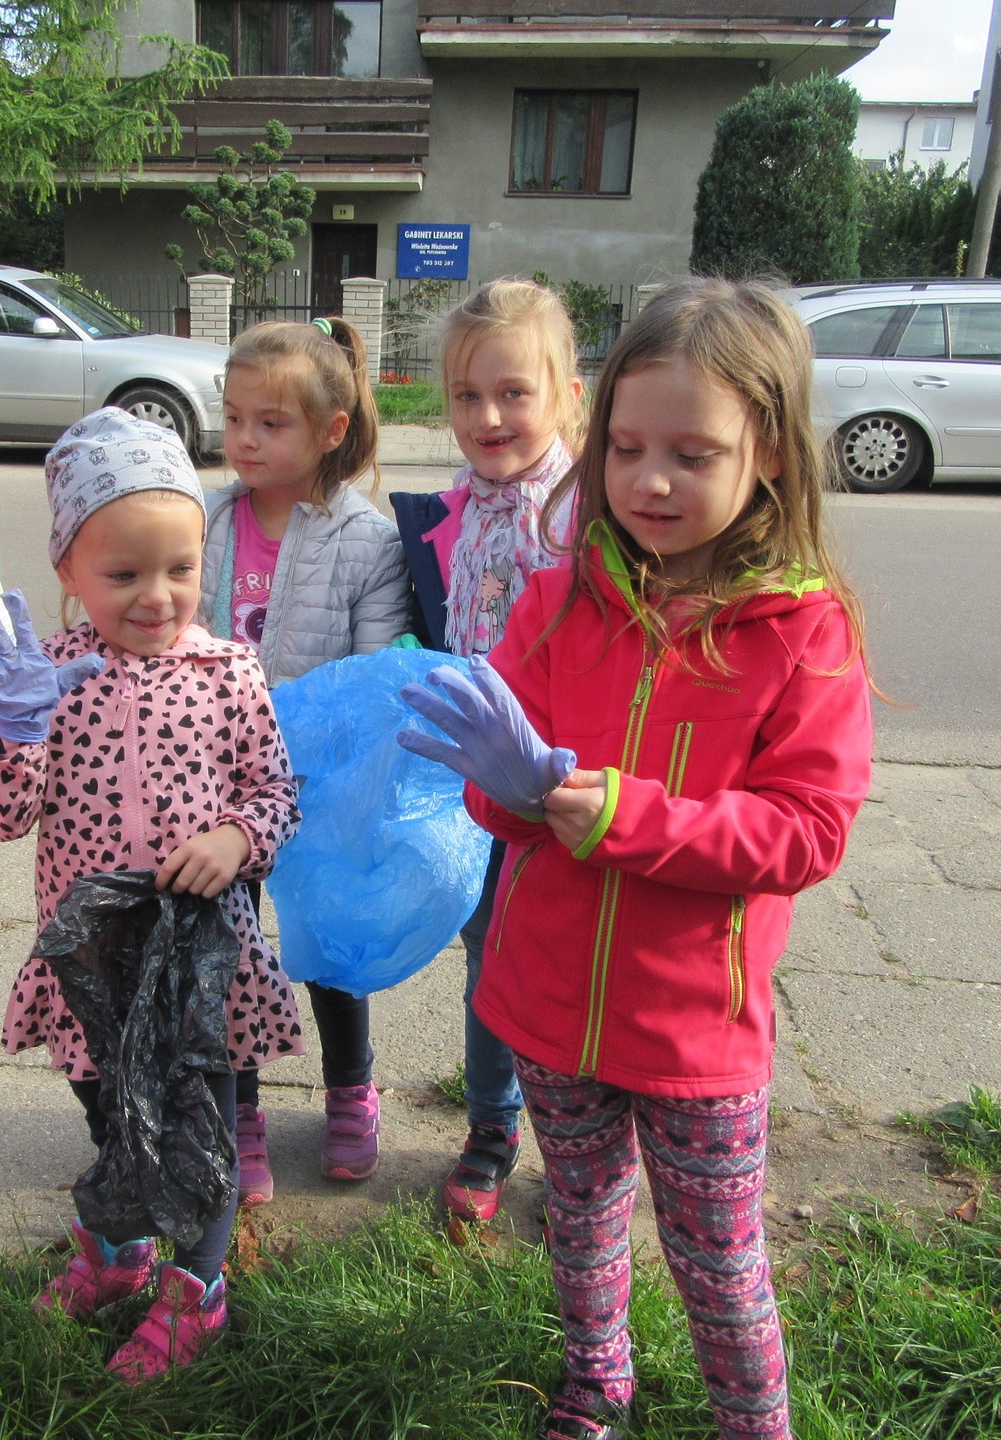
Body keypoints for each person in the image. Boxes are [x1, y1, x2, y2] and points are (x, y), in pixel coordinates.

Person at [401, 277, 875, 1440]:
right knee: (578, 1217)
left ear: (769, 452)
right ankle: (594, 1385)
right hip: (549, 1003)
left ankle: (753, 1422)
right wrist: (509, 788)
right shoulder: (559, 603)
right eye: (624, 449)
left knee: (718, 1261)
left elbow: (805, 832)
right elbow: (505, 802)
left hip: (696, 1029)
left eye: (691, 454)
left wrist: (621, 814)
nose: (649, 480)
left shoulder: (805, 633)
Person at [0, 408, 303, 1382]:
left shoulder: (228, 672)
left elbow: (275, 792)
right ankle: (120, 1248)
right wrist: (15, 729)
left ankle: (199, 1288)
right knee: (109, 1113)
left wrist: (237, 838)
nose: (158, 596)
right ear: (67, 569)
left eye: (181, 568)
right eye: (124, 574)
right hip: (94, 968)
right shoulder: (47, 681)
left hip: (197, 962)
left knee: (200, 1125)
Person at [200, 315, 411, 1200]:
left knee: (331, 945)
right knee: (229, 947)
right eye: (233, 418)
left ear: (330, 431)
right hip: (219, 787)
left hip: (322, 785)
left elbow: (373, 678)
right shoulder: (206, 519)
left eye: (270, 423)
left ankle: (350, 1089)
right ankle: (239, 1109)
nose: (244, 439)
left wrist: (322, 757)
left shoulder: (367, 540)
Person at [388, 277, 585, 1224]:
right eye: (467, 396)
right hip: (476, 790)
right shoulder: (444, 516)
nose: (488, 416)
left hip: (572, 781)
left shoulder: (591, 513)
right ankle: (492, 1129)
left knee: (573, 964)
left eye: (513, 392)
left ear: (567, 397)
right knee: (488, 963)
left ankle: (583, 1141)